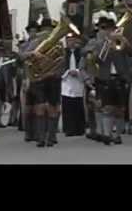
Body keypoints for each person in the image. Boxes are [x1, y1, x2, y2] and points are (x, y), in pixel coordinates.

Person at [86, 14, 132, 145]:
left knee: (120, 110)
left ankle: (118, 135)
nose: (108, 31)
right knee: (107, 108)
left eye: (111, 29)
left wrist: (125, 42)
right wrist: (105, 45)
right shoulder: (98, 43)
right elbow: (96, 59)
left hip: (120, 77)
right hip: (104, 77)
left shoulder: (121, 40)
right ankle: (107, 135)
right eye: (105, 29)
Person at [28, 18, 63, 147]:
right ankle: (41, 138)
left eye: (50, 30)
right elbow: (22, 55)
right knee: (40, 108)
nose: (47, 32)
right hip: (38, 79)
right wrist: (33, 53)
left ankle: (51, 137)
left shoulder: (58, 44)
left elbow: (61, 61)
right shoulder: (35, 42)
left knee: (53, 108)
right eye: (45, 29)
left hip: (53, 79)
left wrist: (54, 71)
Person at [19, 21, 41, 142]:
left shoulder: (41, 43)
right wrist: (31, 53)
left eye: (35, 31)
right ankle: (28, 132)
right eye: (31, 31)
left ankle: (38, 132)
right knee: (27, 108)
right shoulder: (24, 45)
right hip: (26, 78)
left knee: (38, 106)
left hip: (39, 77)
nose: (33, 33)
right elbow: (21, 56)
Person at [61, 33, 86, 137]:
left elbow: (84, 65)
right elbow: (60, 65)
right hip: (66, 80)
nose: (71, 42)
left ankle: (79, 128)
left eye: (73, 40)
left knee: (78, 104)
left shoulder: (81, 52)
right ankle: (68, 128)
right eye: (69, 40)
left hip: (78, 81)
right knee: (67, 105)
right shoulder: (62, 52)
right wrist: (67, 72)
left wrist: (77, 71)